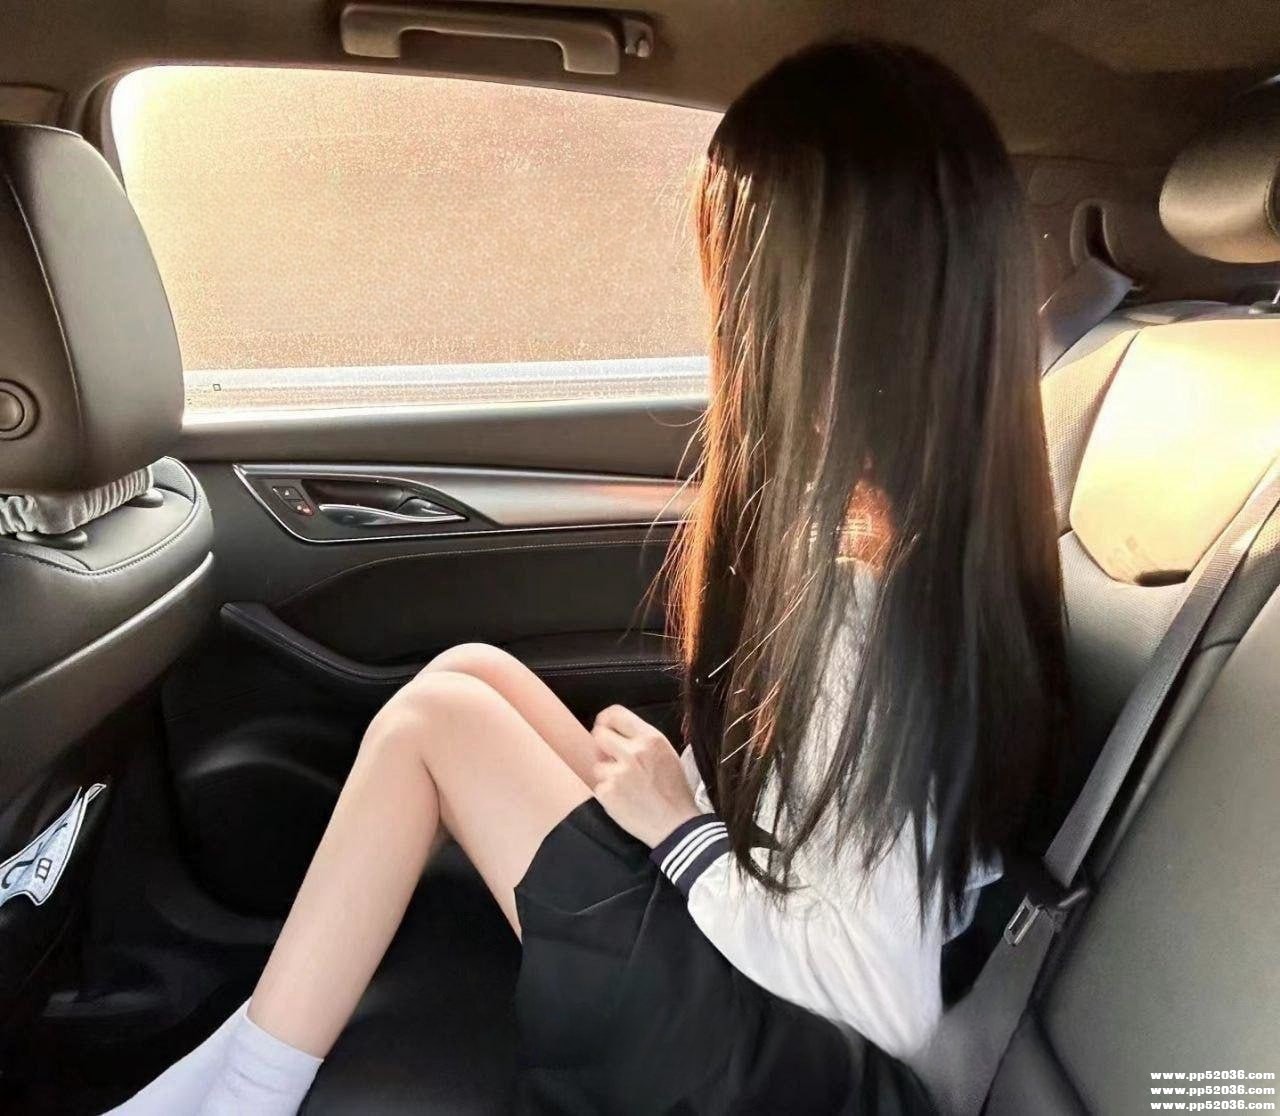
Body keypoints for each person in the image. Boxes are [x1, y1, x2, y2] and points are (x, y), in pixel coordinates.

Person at [111, 37, 1068, 1115]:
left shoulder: (873, 623)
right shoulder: (914, 546)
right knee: (471, 672)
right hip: (757, 978)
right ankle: (237, 1063)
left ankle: (243, 1093)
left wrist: (683, 832)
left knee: (438, 725)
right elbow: (817, 845)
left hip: (779, 1067)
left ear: (820, 322)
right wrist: (688, 801)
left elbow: (872, 999)